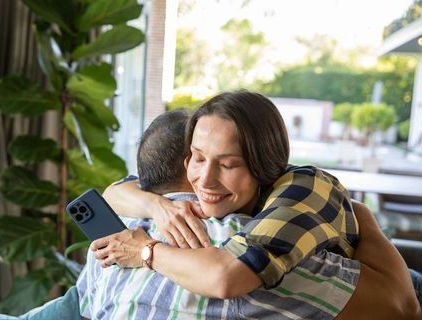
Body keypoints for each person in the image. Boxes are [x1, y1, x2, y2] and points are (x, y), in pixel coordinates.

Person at [93, 90, 421, 319]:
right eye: (198, 157)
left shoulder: (302, 189)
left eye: (229, 164)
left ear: (264, 164)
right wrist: (156, 207)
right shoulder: (192, 192)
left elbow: (227, 278)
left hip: (398, 293)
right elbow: (116, 190)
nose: (204, 180)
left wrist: (145, 250)